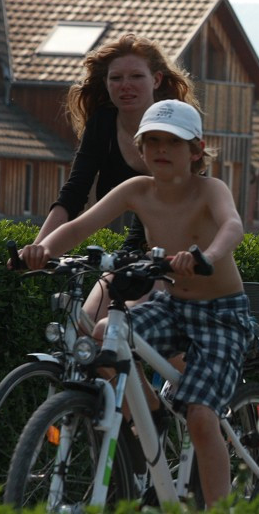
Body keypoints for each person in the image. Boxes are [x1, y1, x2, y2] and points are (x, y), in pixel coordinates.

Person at [20, 100, 252, 507]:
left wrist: (207, 257)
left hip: (221, 316)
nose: (161, 150)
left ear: (196, 150)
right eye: (152, 142)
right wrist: (37, 252)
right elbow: (78, 226)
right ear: (141, 149)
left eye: (173, 143)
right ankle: (150, 410)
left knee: (200, 416)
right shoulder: (136, 190)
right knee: (105, 336)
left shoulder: (209, 189)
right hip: (173, 307)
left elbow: (233, 224)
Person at [33, 33, 201, 325]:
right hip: (137, 249)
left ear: (157, 80)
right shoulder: (102, 124)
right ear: (106, 83)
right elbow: (74, 193)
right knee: (85, 326)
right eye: (116, 78)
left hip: (180, 250)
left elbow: (183, 204)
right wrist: (37, 250)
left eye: (136, 76)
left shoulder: (174, 128)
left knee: (123, 328)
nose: (125, 86)